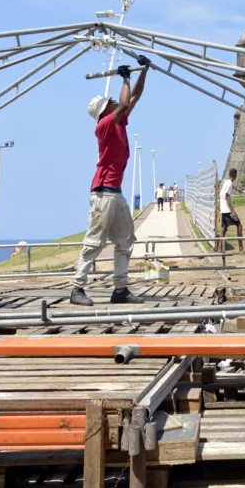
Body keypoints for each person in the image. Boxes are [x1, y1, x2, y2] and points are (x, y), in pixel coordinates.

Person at [71, 55, 151, 306]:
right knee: (95, 241)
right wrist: (124, 78)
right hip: (103, 192)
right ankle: (77, 288)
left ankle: (120, 289)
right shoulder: (104, 125)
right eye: (110, 102)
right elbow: (125, 102)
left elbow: (134, 97)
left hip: (115, 192)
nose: (115, 101)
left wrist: (143, 71)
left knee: (126, 240)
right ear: (104, 111)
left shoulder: (119, 121)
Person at [218, 168, 245, 254]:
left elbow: (221, 194)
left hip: (223, 209)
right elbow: (227, 197)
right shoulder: (229, 183)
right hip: (228, 210)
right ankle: (241, 248)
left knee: (224, 229)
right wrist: (233, 211)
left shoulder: (225, 182)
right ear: (235, 175)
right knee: (239, 225)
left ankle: (219, 249)